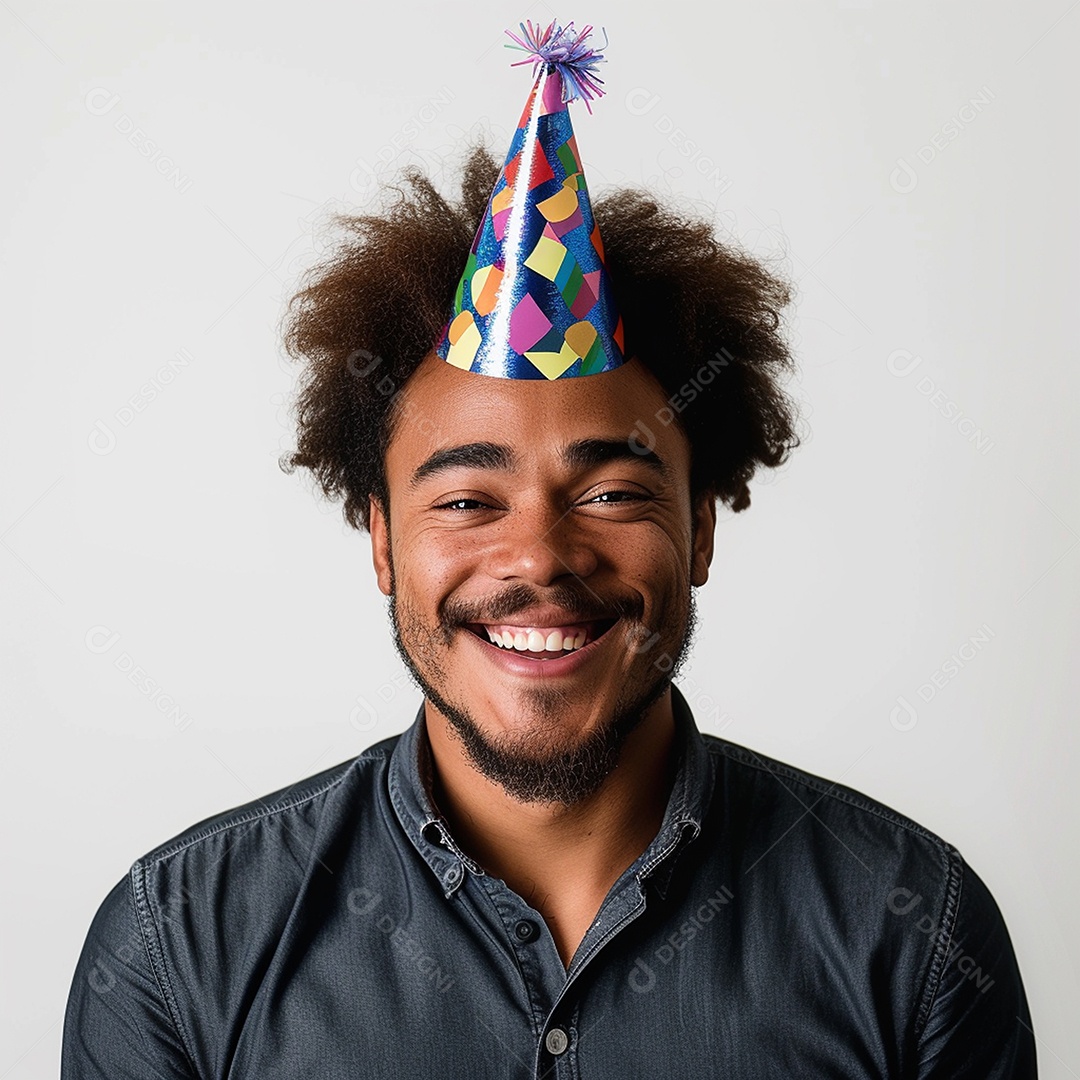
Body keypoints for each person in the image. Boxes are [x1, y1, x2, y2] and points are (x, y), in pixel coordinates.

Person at [62, 21, 1036, 1078]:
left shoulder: (915, 935)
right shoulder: (179, 950)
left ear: (700, 527)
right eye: (470, 500)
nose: (539, 557)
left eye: (612, 490)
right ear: (382, 543)